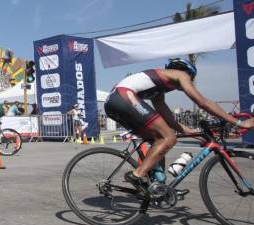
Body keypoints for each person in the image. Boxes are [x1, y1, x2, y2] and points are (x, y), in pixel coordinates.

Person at [104, 58, 254, 194]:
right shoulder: (180, 74)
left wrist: (195, 134)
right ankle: (137, 175)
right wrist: (239, 122)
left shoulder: (158, 91)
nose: (190, 82)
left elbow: (170, 120)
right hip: (124, 97)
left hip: (112, 103)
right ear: (188, 72)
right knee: (169, 138)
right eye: (192, 78)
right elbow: (203, 102)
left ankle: (158, 186)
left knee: (158, 140)